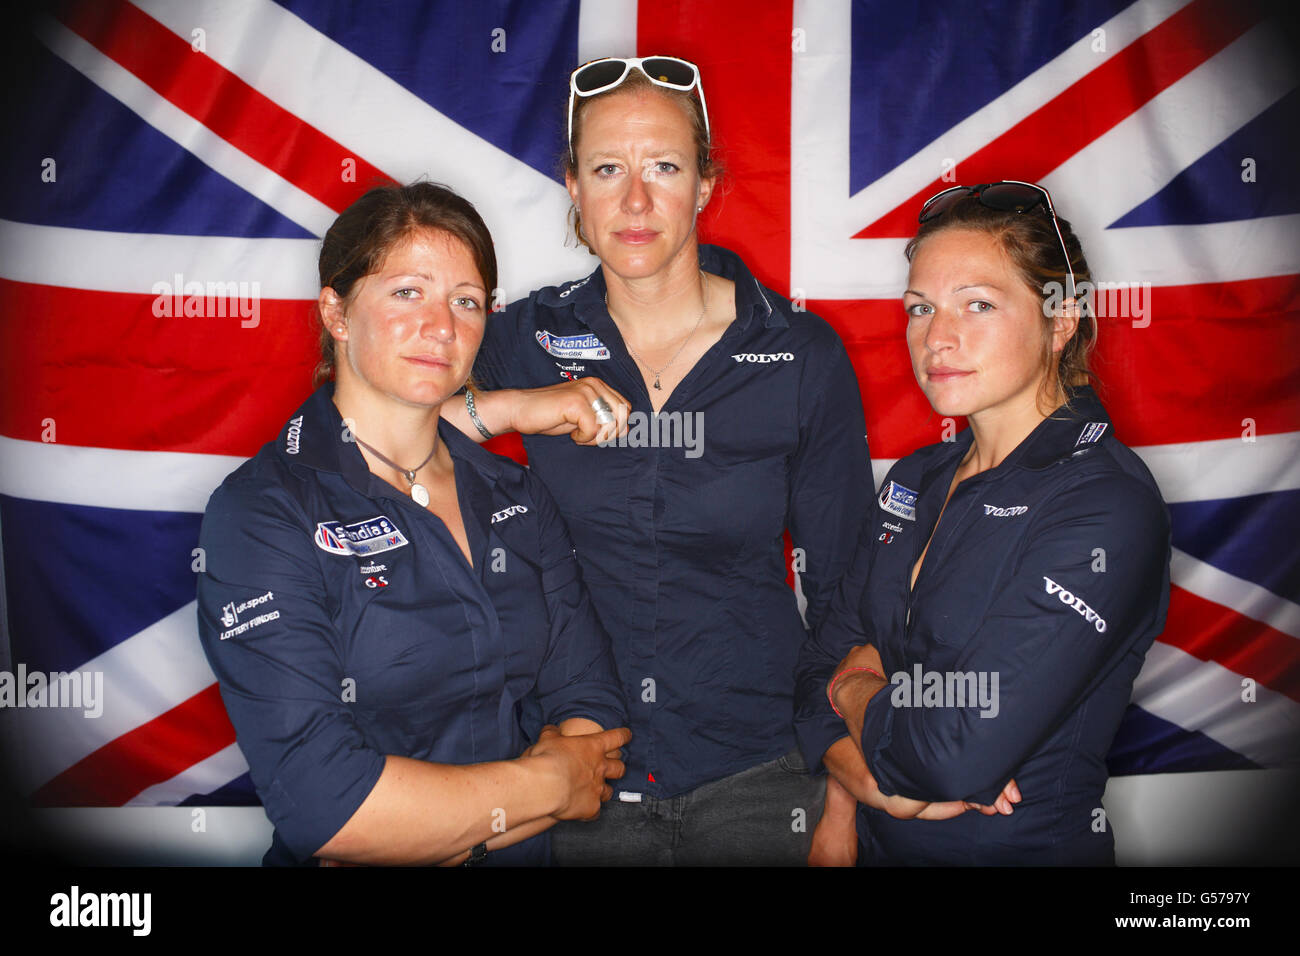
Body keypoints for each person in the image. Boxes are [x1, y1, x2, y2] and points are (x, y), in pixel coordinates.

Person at [444, 57, 872, 864]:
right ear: (572, 184)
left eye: (664, 167)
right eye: (608, 169)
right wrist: (513, 407)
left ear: (705, 184)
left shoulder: (799, 353)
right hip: (577, 777)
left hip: (760, 777)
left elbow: (851, 591)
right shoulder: (522, 339)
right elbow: (372, 434)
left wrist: (842, 803)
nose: (634, 200)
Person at [195, 182, 631, 867]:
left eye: (466, 300)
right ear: (335, 311)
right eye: (407, 292)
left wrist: (432, 832)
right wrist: (548, 784)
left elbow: (592, 711)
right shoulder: (262, 512)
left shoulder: (514, 493)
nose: (442, 325)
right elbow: (326, 807)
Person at [795, 181, 1172, 865]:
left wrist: (856, 685)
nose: (937, 337)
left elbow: (953, 755)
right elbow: (812, 670)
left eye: (978, 304)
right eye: (920, 308)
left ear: (1061, 321)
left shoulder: (1108, 503)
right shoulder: (915, 477)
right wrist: (867, 790)